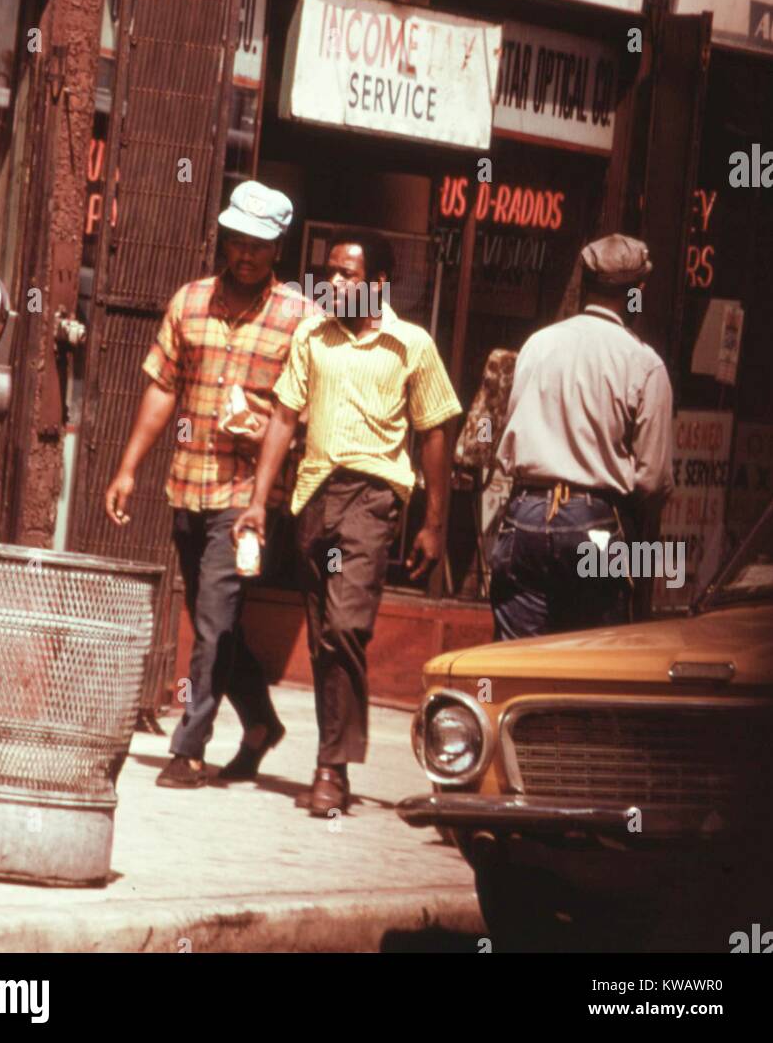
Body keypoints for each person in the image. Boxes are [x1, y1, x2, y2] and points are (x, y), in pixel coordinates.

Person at [233, 231, 463, 816]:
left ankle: (331, 767)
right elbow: (285, 417)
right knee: (321, 635)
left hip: (373, 498)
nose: (333, 284)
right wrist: (259, 501)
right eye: (328, 272)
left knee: (345, 625)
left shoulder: (411, 345)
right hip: (315, 497)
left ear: (379, 284)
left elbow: (435, 431)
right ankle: (336, 756)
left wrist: (434, 522)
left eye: (347, 275)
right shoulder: (313, 337)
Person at [105, 180, 315, 789]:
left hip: (248, 498)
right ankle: (260, 725)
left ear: (278, 248)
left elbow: (301, 412)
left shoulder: (301, 318)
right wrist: (127, 467)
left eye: (258, 244)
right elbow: (162, 387)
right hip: (187, 482)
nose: (244, 254)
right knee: (209, 620)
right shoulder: (190, 301)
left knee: (216, 618)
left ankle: (189, 747)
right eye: (235, 241)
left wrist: (273, 446)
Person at [491, 233, 674, 640]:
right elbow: (653, 480)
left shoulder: (537, 345)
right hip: (596, 521)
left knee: (516, 666)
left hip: (526, 513)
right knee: (592, 664)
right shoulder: (643, 362)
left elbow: (511, 434)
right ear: (635, 295)